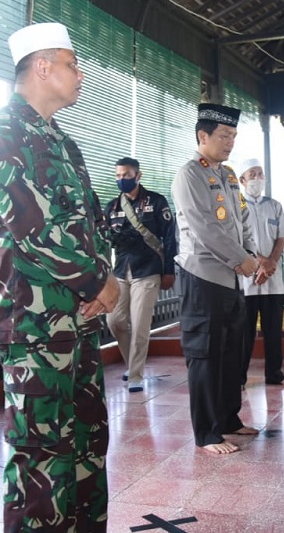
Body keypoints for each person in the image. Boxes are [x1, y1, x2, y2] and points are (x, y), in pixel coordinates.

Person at [0, 22, 119, 532]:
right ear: (41, 67)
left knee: (87, 443)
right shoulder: (1, 131)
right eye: (72, 65)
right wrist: (99, 282)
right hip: (32, 322)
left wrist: (100, 281)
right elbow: (32, 227)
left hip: (77, 318)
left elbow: (91, 224)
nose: (80, 75)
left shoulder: (63, 141)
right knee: (41, 454)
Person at [172, 103, 261, 455]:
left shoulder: (228, 176)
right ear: (202, 136)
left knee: (231, 353)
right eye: (224, 136)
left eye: (234, 136)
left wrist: (250, 254)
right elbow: (204, 227)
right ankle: (207, 433)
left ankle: (227, 419)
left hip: (232, 278)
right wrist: (242, 260)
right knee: (205, 355)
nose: (230, 142)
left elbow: (242, 220)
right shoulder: (190, 175)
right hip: (204, 276)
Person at [104, 157, 177, 393]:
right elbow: (103, 239)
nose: (121, 179)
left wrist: (169, 270)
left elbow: (169, 238)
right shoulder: (112, 207)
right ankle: (131, 363)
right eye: (118, 175)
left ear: (138, 175)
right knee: (114, 320)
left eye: (126, 175)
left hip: (147, 270)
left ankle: (135, 374)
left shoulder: (156, 201)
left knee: (140, 324)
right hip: (121, 270)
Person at [238, 159, 284, 388]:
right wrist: (261, 261)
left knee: (273, 331)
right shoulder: (235, 206)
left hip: (273, 280)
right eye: (252, 174)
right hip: (247, 278)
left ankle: (275, 375)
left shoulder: (274, 206)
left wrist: (270, 264)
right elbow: (238, 239)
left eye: (260, 174)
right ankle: (238, 378)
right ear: (242, 180)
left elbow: (281, 237)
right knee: (244, 333)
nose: (257, 178)